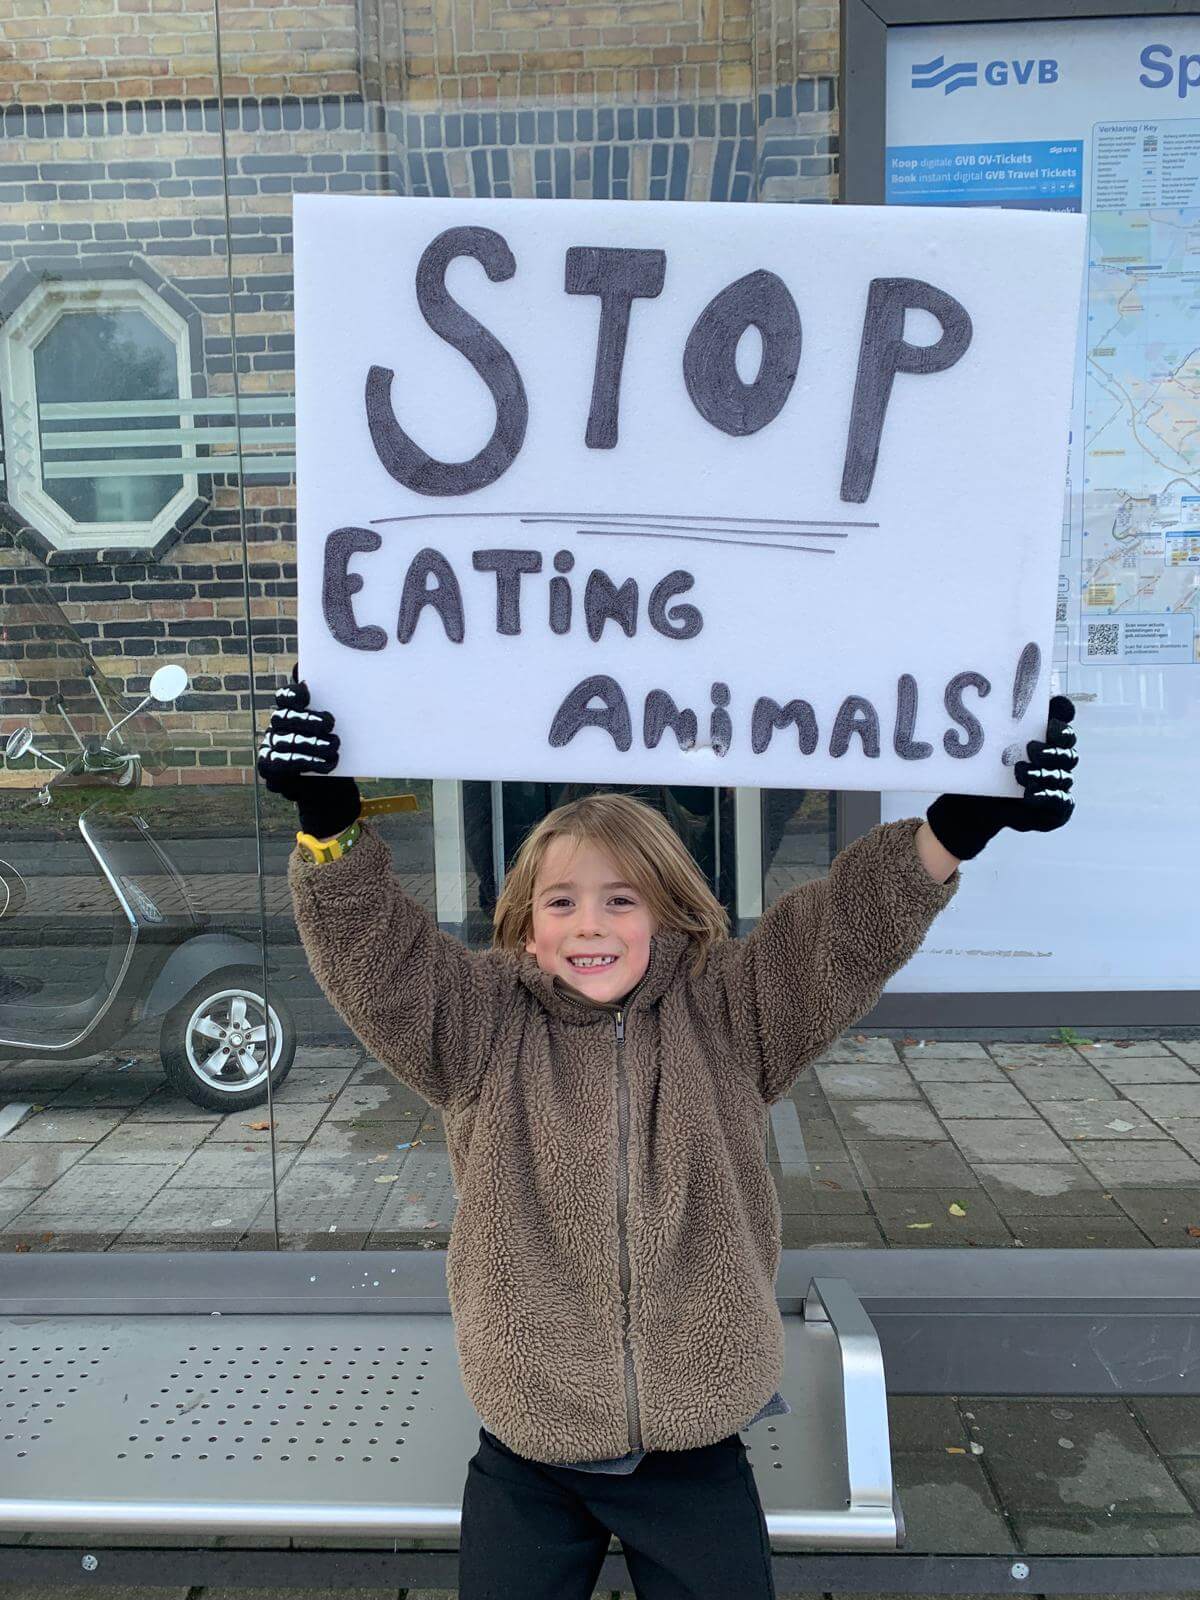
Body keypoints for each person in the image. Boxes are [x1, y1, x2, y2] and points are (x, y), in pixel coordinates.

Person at [258, 678, 1077, 1600]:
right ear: (525, 929)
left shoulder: (732, 1011)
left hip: (695, 1443)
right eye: (561, 904)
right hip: (533, 1445)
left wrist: (955, 828)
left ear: (671, 913)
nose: (591, 926)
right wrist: (330, 827)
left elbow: (840, 937)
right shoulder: (478, 1026)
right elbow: (381, 964)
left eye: (621, 901)